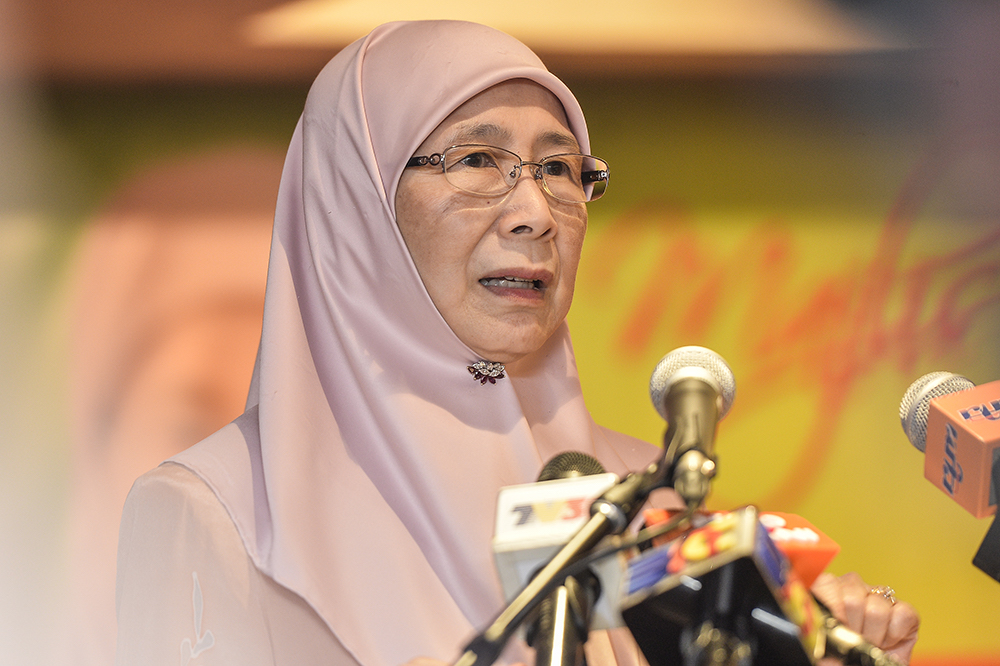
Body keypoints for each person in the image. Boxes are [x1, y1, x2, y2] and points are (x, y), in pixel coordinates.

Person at [114, 19, 919, 666]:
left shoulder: (641, 495)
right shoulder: (211, 513)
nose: (536, 210)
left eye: (561, 169)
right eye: (476, 159)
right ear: (354, 206)